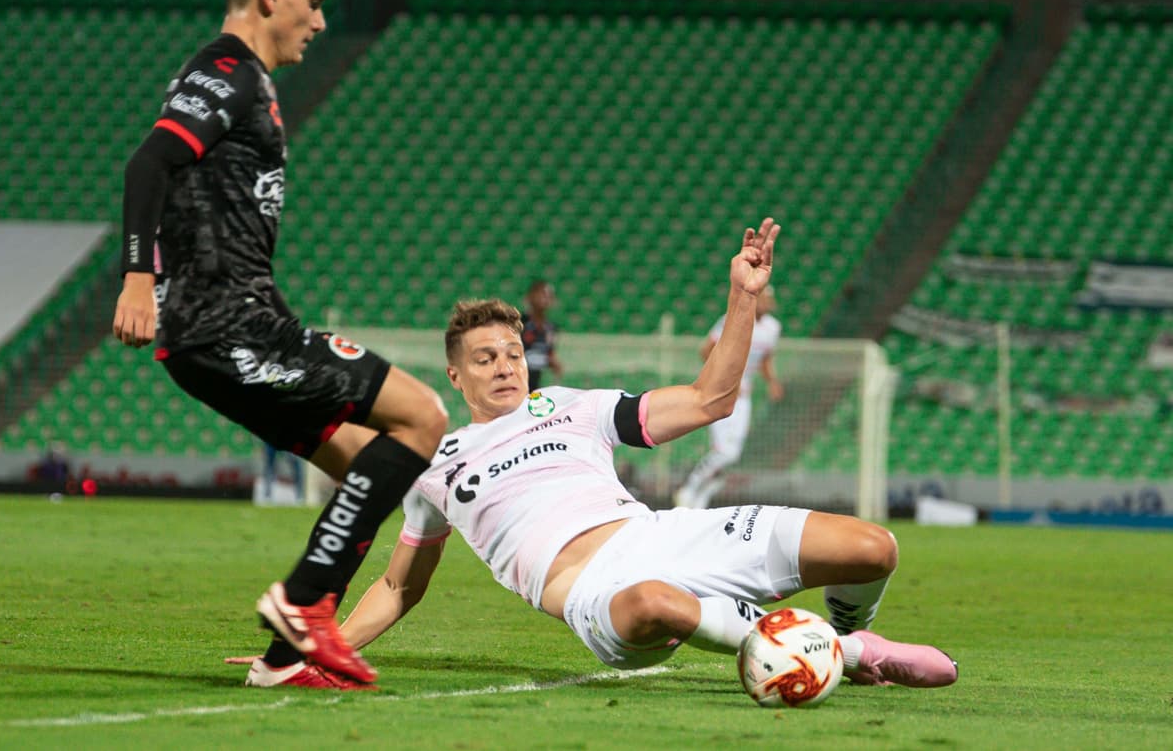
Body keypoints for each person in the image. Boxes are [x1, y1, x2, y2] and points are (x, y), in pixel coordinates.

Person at [329, 219, 956, 691]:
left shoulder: (574, 404)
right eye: (484, 359)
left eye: (513, 354)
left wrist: (742, 296)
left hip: (661, 534)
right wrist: (323, 648)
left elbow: (711, 399)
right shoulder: (435, 461)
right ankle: (847, 655)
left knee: (872, 549)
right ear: (455, 377)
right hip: (592, 590)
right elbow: (396, 584)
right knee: (653, 602)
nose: (504, 367)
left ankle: (840, 637)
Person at [111, 0, 447, 690]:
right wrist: (137, 276)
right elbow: (148, 162)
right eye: (315, 1)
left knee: (370, 464)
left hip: (222, 329)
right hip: (232, 322)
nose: (322, 21)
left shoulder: (244, 81)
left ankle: (284, 658)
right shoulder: (226, 70)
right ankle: (303, 603)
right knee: (424, 416)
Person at [675, 284, 783, 509]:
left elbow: (765, 359)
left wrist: (772, 382)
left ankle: (700, 497)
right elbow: (707, 350)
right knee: (724, 451)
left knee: (733, 452)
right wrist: (723, 378)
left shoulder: (773, 328)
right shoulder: (734, 319)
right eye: (765, 297)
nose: (768, 302)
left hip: (744, 397)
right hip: (722, 392)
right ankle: (690, 488)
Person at [521, 279, 563, 391]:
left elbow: (549, 353)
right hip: (519, 378)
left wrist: (554, 363)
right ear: (530, 297)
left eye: (549, 295)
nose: (545, 298)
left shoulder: (551, 328)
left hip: (539, 380)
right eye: (541, 294)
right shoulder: (519, 322)